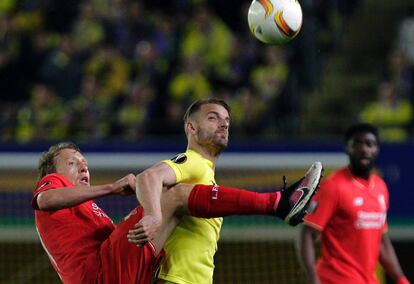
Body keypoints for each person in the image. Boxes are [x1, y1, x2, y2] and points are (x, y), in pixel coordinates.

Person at [33, 141, 322, 283]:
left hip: (111, 274)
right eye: (73, 163)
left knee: (163, 203)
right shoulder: (52, 186)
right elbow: (45, 199)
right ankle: (278, 203)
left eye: (84, 162)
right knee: (174, 196)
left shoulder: (87, 209)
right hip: (100, 275)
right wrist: (112, 188)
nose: (83, 167)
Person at [135, 98, 322, 284]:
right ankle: (278, 202)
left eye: (226, 120)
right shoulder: (193, 161)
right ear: (191, 128)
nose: (223, 124)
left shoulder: (204, 174)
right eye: (212, 118)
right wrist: (153, 215)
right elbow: (148, 177)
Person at [299, 123, 409, 284]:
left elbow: (382, 244)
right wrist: (314, 280)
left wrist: (401, 280)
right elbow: (308, 234)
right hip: (336, 279)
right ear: (347, 149)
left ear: (377, 149)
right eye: (357, 143)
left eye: (369, 144)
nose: (364, 149)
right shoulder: (333, 186)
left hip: (368, 279)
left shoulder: (380, 187)